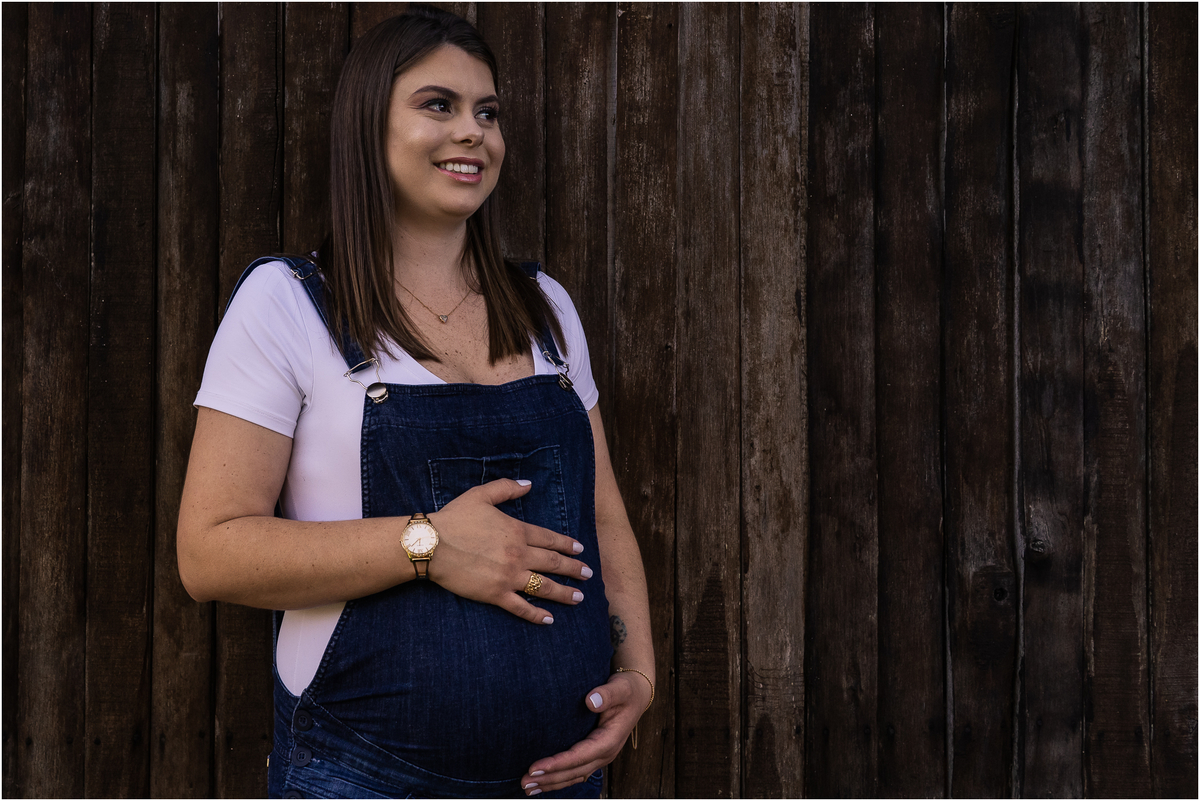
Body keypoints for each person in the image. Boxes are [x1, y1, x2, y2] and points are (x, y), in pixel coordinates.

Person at [176, 6, 654, 798]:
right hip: (359, 777)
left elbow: (603, 522)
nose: (473, 131)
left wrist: (637, 669)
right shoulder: (289, 305)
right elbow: (209, 552)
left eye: (487, 112)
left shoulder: (545, 307)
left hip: (559, 780)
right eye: (439, 105)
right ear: (370, 125)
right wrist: (428, 544)